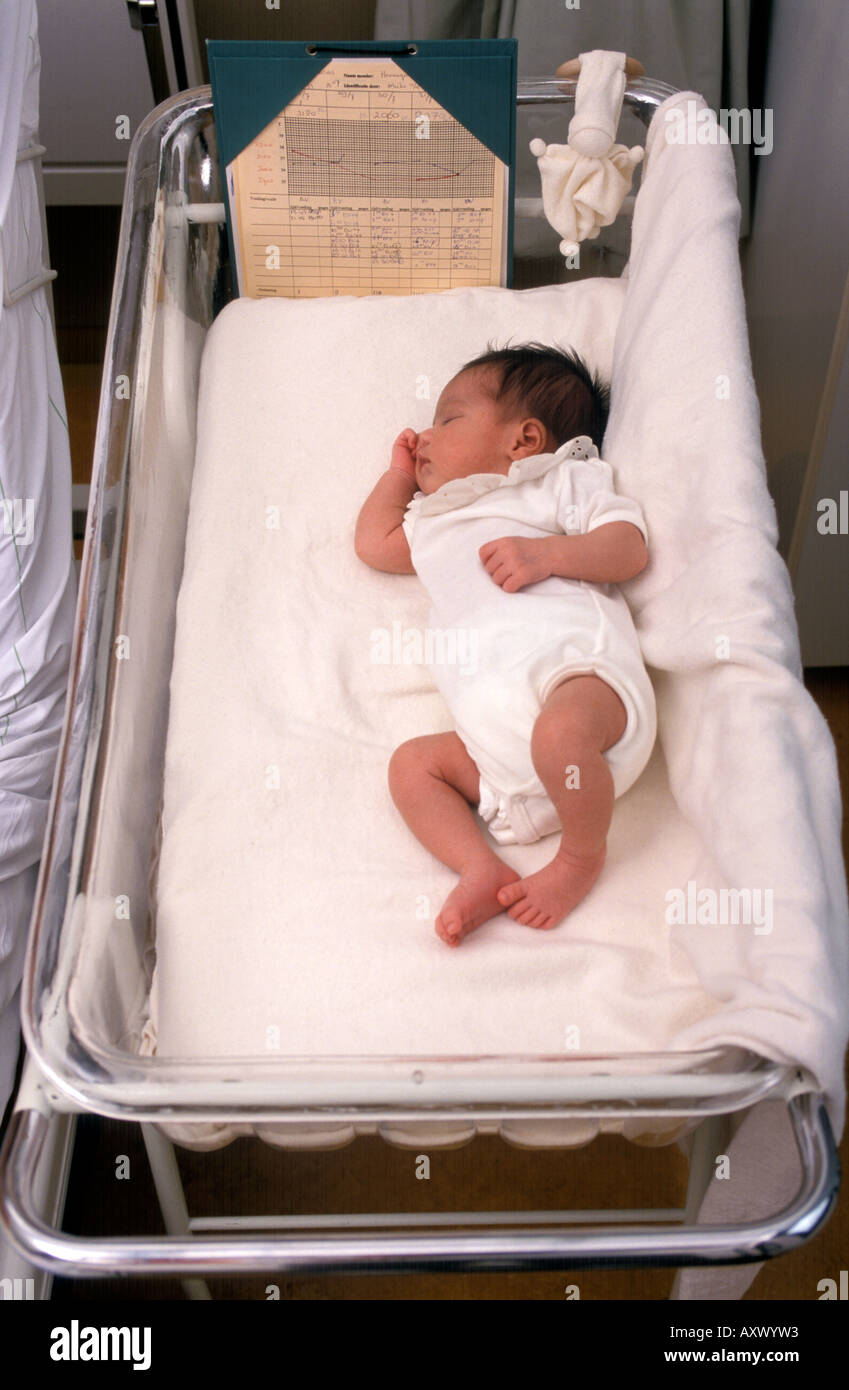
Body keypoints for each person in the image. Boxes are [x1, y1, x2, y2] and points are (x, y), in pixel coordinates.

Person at [355, 343, 656, 947]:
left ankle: (579, 857)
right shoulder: (433, 519)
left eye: (449, 419)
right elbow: (373, 543)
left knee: (559, 736)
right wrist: (396, 476)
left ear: (523, 441)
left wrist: (548, 554)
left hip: (578, 682)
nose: (426, 437)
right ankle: (479, 866)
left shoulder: (552, 483)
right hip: (498, 754)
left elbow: (628, 547)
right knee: (412, 767)